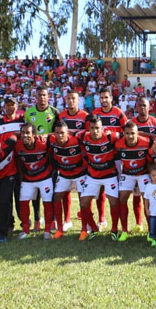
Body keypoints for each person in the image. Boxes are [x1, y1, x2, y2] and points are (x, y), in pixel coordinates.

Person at [91, 87, 128, 230]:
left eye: (106, 97)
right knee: (99, 188)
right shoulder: (95, 113)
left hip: (116, 157)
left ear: (111, 98)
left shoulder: (118, 113)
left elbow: (127, 131)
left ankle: (117, 223)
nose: (104, 100)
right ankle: (101, 219)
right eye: (101, 98)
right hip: (99, 157)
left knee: (116, 191)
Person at [79, 116, 120, 241]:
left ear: (102, 128)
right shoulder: (82, 136)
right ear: (88, 129)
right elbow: (68, 132)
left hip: (110, 175)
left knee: (113, 201)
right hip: (93, 176)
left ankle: (114, 229)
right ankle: (94, 228)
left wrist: (154, 137)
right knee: (83, 203)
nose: (95, 131)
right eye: (92, 128)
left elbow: (131, 133)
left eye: (98, 128)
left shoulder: (110, 136)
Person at [14, 123, 54, 240]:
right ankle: (25, 230)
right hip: (28, 178)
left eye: (28, 133)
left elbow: (56, 136)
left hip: (45, 177)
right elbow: (18, 161)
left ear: (35, 135)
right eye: (23, 133)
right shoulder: (18, 145)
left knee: (47, 202)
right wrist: (21, 175)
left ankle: (47, 230)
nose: (25, 135)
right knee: (23, 202)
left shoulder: (43, 143)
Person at [48, 121, 86, 239]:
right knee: (56, 197)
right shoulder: (51, 140)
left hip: (79, 174)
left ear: (68, 133)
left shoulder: (77, 140)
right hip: (64, 174)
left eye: (62, 133)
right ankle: (60, 229)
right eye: (57, 133)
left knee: (83, 200)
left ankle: (84, 228)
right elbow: (46, 137)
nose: (60, 135)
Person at [58, 90, 89, 230]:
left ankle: (88, 220)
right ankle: (67, 220)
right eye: (69, 98)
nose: (71, 101)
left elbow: (89, 135)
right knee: (65, 190)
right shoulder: (61, 116)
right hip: (65, 158)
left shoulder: (85, 116)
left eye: (74, 98)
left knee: (84, 193)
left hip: (80, 158)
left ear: (78, 101)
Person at [0, 96, 24, 230]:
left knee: (20, 195)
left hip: (21, 163)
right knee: (6, 196)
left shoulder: (22, 121)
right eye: (7, 105)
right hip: (6, 164)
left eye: (12, 105)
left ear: (17, 106)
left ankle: (24, 222)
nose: (10, 107)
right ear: (4, 107)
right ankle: (9, 223)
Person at [116, 121, 152, 239]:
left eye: (133, 133)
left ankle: (151, 231)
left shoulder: (146, 142)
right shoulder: (118, 144)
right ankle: (124, 231)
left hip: (143, 174)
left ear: (137, 133)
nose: (130, 136)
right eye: (127, 133)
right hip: (127, 174)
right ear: (123, 133)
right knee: (122, 199)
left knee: (147, 200)